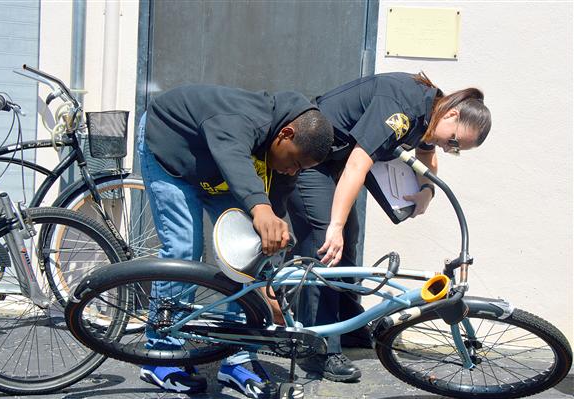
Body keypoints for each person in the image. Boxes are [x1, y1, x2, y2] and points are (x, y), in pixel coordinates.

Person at [287, 72, 491, 382]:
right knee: (325, 243)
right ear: (452, 113)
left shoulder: (429, 112)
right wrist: (335, 225)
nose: (450, 148)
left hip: (333, 163)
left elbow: (426, 152)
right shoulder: (403, 110)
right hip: (308, 158)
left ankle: (348, 323)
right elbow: (358, 163)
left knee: (348, 241)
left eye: (457, 149)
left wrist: (427, 191)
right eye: (453, 140)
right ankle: (318, 348)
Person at [137, 83, 334, 398]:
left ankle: (237, 358)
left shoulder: (284, 156)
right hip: (169, 152)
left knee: (250, 251)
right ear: (285, 134)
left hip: (214, 172)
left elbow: (275, 211)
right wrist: (260, 209)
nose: (293, 171)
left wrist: (270, 271)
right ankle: (161, 353)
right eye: (295, 163)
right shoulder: (244, 117)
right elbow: (232, 154)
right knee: (186, 249)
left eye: (301, 169)